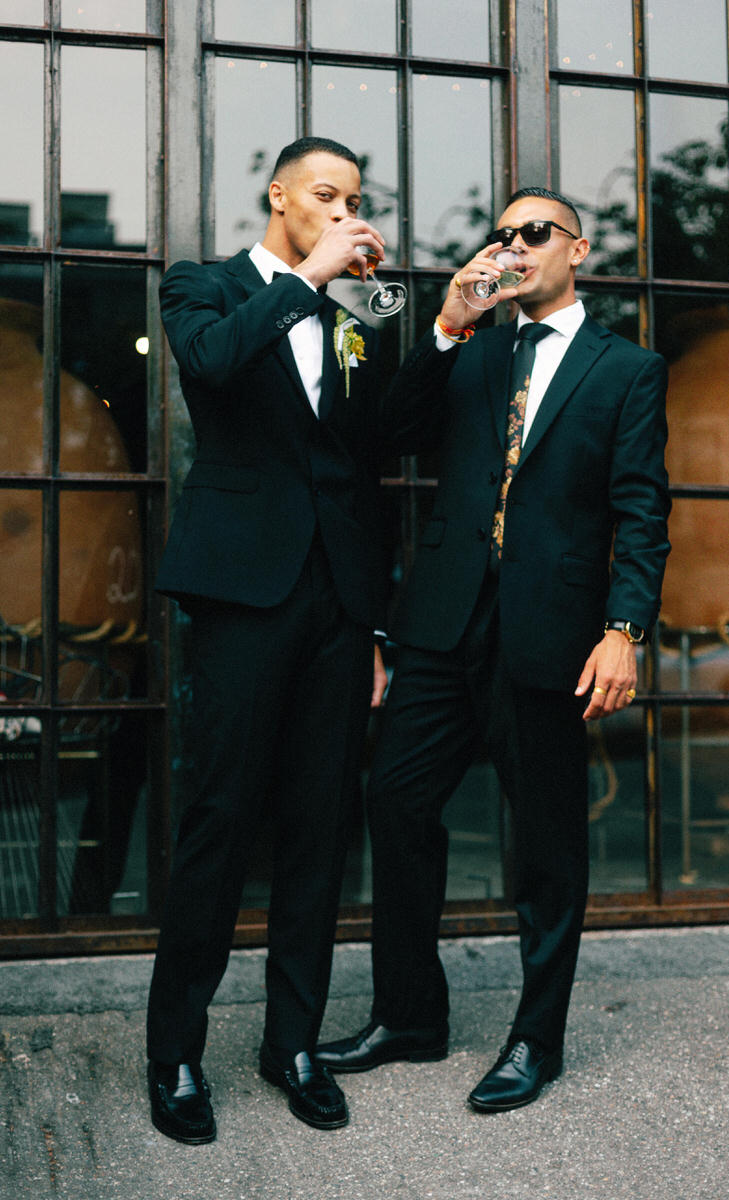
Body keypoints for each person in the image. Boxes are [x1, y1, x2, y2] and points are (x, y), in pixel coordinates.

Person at [315, 187, 671, 1113]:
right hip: (441, 620)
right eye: (501, 233)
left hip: (551, 633)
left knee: (547, 844)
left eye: (533, 233)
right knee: (395, 805)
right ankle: (410, 1016)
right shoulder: (474, 350)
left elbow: (641, 513)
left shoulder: (626, 369)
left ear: (577, 250)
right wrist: (442, 325)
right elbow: (390, 437)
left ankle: (534, 1039)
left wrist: (624, 630)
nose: (512, 246)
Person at [146, 136, 414, 1142]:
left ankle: (290, 1044)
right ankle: (173, 1053)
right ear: (278, 195)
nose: (341, 209)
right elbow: (211, 367)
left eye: (351, 196)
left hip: (339, 602)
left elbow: (377, 444)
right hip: (240, 594)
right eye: (323, 193)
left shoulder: (352, 304)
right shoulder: (204, 286)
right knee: (219, 820)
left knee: (318, 824)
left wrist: (410, 318)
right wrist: (305, 278)